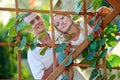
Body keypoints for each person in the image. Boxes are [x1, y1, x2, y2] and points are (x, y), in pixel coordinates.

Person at [53, 6, 111, 80]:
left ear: (69, 16)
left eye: (62, 18)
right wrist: (67, 53)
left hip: (104, 59)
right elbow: (64, 67)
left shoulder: (85, 24)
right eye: (57, 24)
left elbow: (107, 11)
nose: (61, 22)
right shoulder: (66, 45)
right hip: (89, 70)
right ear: (58, 30)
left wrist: (99, 23)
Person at [24, 12, 62, 80]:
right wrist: (60, 58)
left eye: (37, 18)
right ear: (28, 30)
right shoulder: (33, 53)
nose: (37, 22)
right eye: (32, 22)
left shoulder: (59, 34)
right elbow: (41, 78)